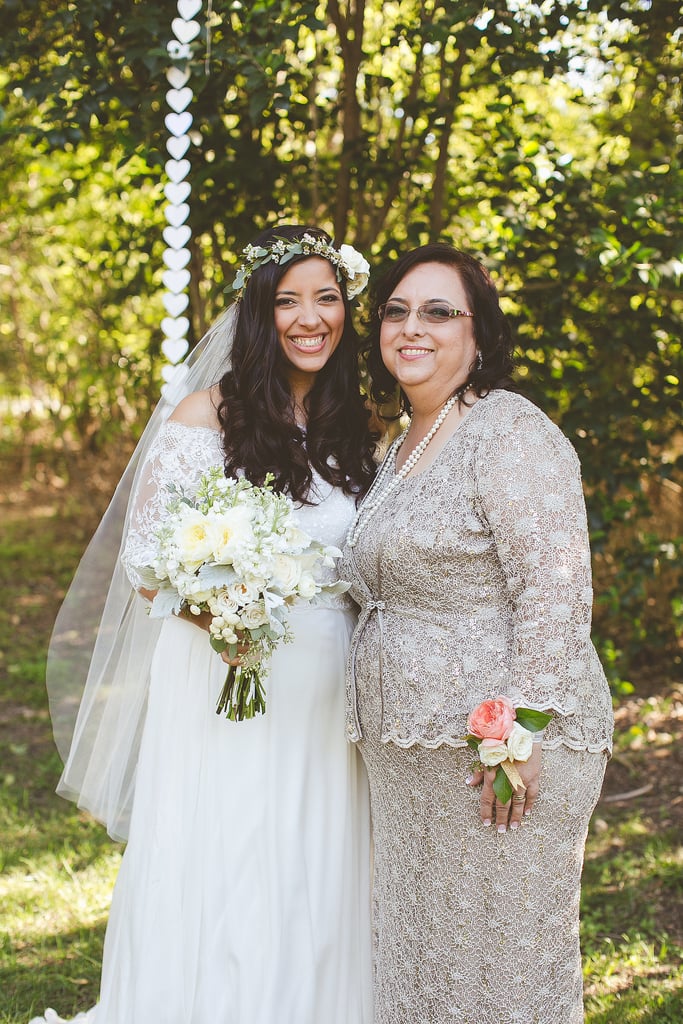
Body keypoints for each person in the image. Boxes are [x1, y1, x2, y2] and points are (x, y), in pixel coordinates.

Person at [35, 226, 376, 1024]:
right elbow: (149, 554)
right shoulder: (206, 413)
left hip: (330, 684)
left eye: (326, 298)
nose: (310, 317)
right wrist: (226, 614)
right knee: (230, 851)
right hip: (225, 669)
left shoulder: (354, 427)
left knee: (313, 856)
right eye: (288, 300)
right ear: (259, 312)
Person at [340, 242, 614, 1024]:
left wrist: (518, 736)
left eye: (437, 311)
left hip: (495, 758)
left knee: (500, 967)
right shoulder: (404, 443)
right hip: (407, 757)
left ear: (478, 335)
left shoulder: (508, 432)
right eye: (395, 311)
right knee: (423, 963)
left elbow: (555, 593)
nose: (410, 327)